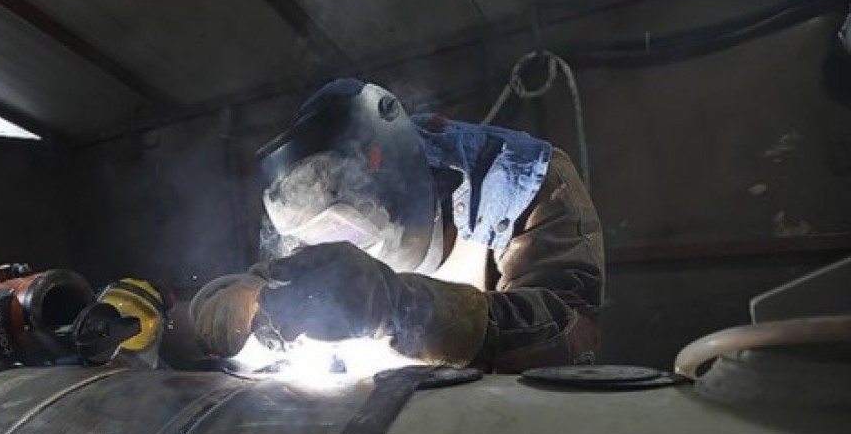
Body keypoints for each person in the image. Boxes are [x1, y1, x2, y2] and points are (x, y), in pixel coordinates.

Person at [189, 78, 604, 372]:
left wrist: (398, 307)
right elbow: (279, 278)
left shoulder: (529, 183)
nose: (349, 251)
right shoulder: (307, 209)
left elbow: (572, 341)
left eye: (354, 240)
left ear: (406, 189)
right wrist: (240, 295)